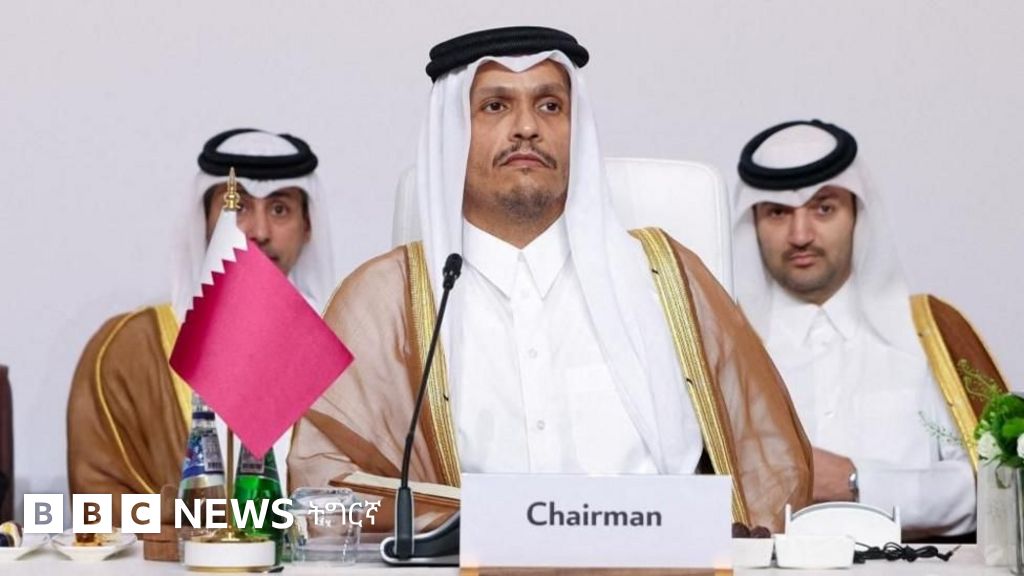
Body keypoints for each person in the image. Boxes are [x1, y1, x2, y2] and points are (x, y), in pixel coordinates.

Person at [289, 27, 811, 532]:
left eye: (550, 105)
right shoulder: (385, 299)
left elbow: (770, 471)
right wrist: (491, 525)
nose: (527, 127)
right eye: (495, 106)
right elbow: (322, 494)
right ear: (453, 134)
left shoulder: (666, 278)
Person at [732, 119, 1000, 538]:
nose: (800, 235)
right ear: (753, 222)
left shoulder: (930, 334)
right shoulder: (723, 348)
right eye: (778, 213)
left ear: (857, 213)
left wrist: (857, 484)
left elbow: (994, 487)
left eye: (824, 208)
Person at [66, 128, 335, 528]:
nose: (259, 232)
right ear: (205, 222)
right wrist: (212, 521)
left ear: (307, 225)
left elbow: (367, 499)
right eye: (236, 208)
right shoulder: (129, 349)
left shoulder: (346, 353)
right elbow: (95, 506)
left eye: (280, 209)